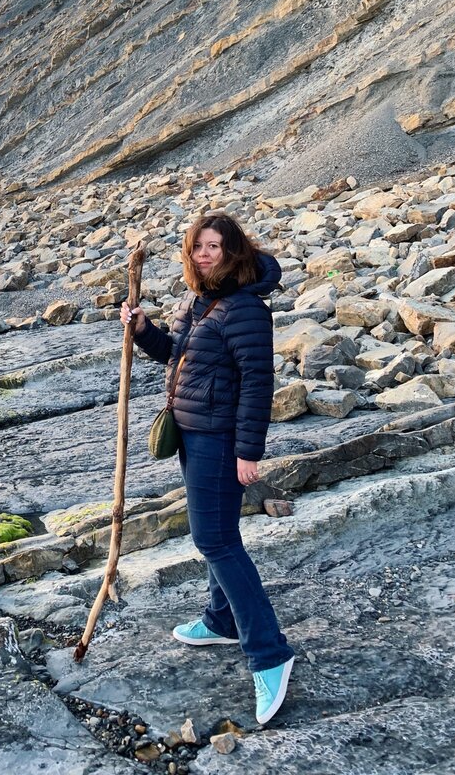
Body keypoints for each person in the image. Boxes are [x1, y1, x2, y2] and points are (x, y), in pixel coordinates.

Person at [120, 212, 295, 726]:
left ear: (234, 251)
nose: (203, 253)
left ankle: (270, 652)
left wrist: (248, 453)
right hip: (191, 433)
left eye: (214, 246)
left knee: (214, 541)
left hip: (219, 440)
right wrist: (143, 330)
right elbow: (176, 357)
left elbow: (257, 385)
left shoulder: (244, 310)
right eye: (197, 245)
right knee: (221, 535)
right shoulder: (198, 302)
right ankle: (221, 620)